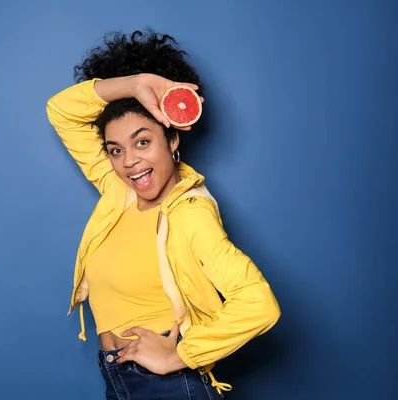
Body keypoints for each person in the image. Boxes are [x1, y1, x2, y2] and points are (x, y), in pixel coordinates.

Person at [46, 29, 281, 400]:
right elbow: (61, 110)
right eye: (115, 150)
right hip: (118, 378)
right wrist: (137, 84)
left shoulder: (191, 214)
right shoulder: (117, 191)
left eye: (143, 142)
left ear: (172, 140)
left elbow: (259, 304)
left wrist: (182, 355)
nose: (130, 162)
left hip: (167, 386)